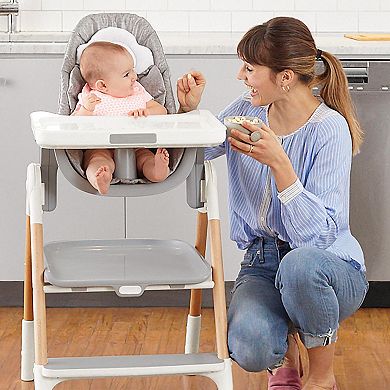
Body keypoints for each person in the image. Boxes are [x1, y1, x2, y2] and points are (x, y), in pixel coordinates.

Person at [177, 17, 368, 390]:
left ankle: (322, 375)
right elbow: (196, 154)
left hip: (329, 267)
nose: (240, 76)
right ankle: (284, 356)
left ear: (283, 77)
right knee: (250, 346)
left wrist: (281, 165)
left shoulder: (329, 129)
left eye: (250, 69)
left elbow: (320, 236)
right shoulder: (247, 113)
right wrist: (190, 116)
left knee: (299, 266)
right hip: (262, 260)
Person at [73, 41, 169, 194]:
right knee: (96, 161)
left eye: (133, 70)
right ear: (102, 86)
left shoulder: (137, 92)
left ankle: (157, 170)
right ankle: (100, 177)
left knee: (145, 158)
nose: (134, 77)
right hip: (100, 145)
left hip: (137, 145)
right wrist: (86, 110)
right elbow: (74, 125)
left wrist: (147, 111)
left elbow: (162, 110)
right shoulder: (90, 98)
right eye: (127, 74)